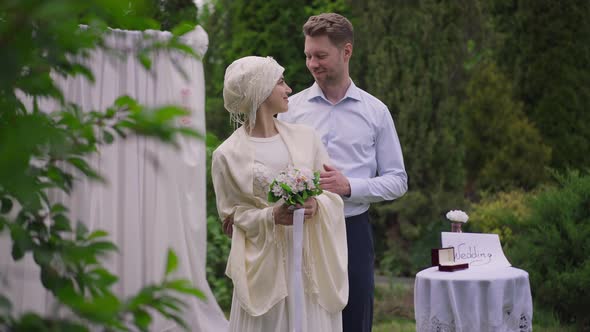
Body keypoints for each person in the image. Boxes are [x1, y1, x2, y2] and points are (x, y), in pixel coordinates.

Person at [277, 13, 408, 332]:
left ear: (346, 51)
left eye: (320, 55)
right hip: (302, 231)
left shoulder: (375, 112)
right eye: (308, 55)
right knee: (303, 318)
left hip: (353, 230)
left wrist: (351, 186)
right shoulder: (290, 110)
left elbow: (398, 180)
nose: (312, 64)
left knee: (355, 319)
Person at [211, 56, 349, 332]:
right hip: (263, 269)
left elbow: (331, 194)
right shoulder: (226, 155)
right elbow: (230, 221)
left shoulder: (306, 137)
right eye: (280, 82)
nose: (288, 89)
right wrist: (271, 216)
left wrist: (317, 206)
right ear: (259, 90)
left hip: (309, 261)